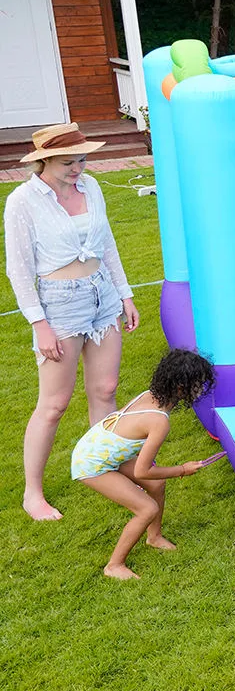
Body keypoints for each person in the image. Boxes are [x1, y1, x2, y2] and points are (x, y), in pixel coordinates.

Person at [4, 122, 140, 521]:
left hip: (104, 296)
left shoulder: (92, 187)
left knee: (106, 389)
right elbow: (18, 269)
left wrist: (125, 294)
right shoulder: (23, 201)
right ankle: (33, 493)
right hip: (59, 306)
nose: (78, 168)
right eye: (68, 162)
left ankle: (103, 467)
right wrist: (39, 324)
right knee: (54, 404)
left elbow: (107, 242)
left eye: (82, 159)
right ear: (43, 161)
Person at [71, 348, 216, 580]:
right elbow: (143, 470)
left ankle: (154, 537)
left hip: (99, 449)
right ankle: (114, 565)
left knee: (157, 487)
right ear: (181, 387)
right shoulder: (159, 421)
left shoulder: (148, 394)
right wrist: (182, 470)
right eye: (196, 384)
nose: (200, 389)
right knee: (147, 509)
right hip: (92, 464)